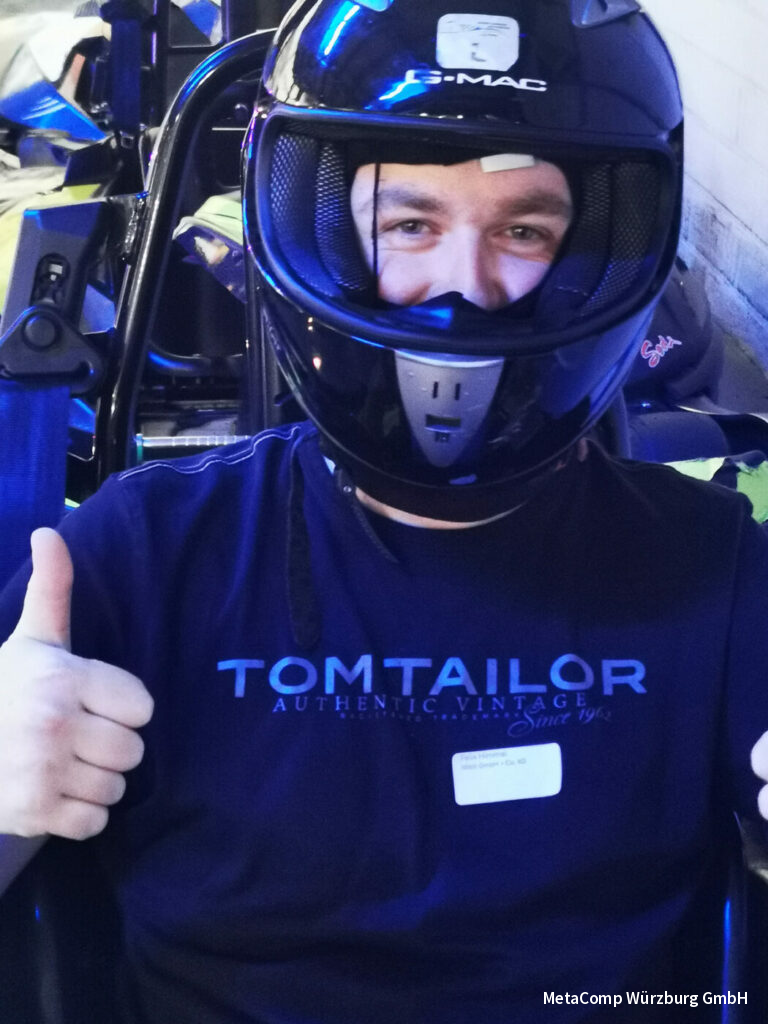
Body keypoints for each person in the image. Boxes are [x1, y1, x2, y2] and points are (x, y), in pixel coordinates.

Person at [2, 0, 768, 1020]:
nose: (462, 289)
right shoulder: (138, 556)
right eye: (409, 224)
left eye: (523, 230)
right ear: (315, 232)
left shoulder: (716, 568)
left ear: (595, 256)